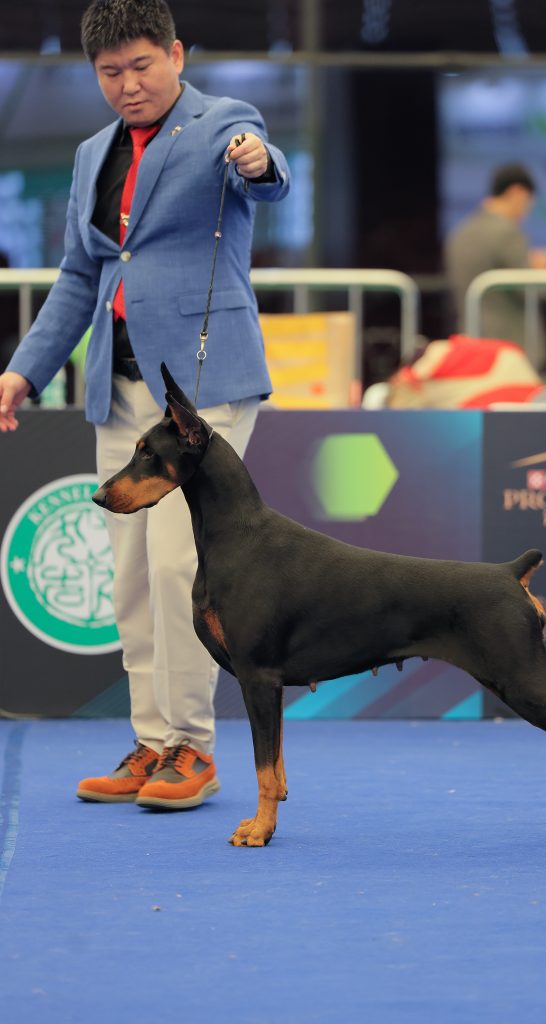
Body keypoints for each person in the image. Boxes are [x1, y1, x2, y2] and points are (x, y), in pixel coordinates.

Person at [0, 0, 290, 809]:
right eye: (109, 72)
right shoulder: (91, 153)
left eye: (141, 66)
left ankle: (193, 748)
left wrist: (258, 162)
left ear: (175, 54)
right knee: (129, 576)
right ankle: (153, 741)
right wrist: (23, 371)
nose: (127, 84)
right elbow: (79, 276)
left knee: (176, 566)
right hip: (118, 388)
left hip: (204, 389)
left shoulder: (223, 122)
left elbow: (267, 174)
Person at [444, 162, 546, 350]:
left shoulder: (460, 233)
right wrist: (541, 271)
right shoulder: (508, 233)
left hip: (471, 341)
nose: (527, 210)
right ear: (517, 193)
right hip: (510, 345)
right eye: (528, 201)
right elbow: (532, 292)